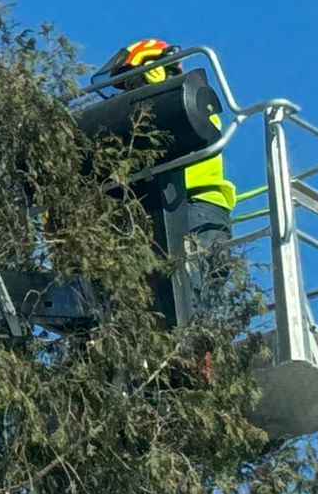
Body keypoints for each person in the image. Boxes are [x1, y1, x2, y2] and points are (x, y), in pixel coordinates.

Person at [99, 38, 237, 326]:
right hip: (175, 208)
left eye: (131, 80)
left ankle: (192, 356)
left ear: (153, 69)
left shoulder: (190, 110)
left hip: (193, 210)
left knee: (186, 300)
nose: (127, 90)